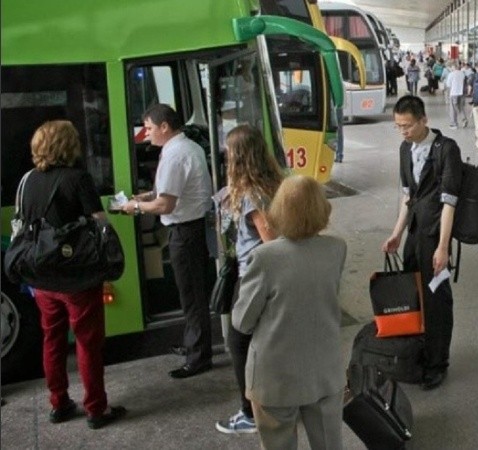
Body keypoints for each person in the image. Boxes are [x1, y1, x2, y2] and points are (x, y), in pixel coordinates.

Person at [23, 121, 126, 429]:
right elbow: (99, 223)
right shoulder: (78, 179)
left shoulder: (28, 180)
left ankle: (59, 404)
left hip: (42, 277)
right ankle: (96, 409)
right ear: (69, 146)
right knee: (87, 341)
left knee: (52, 339)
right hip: (77, 277)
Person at [232, 175, 347, 449]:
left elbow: (242, 321)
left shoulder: (265, 258)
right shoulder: (336, 248)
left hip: (276, 377)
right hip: (324, 370)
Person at [121, 104, 213, 379]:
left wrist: (134, 208)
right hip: (190, 230)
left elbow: (166, 205)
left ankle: (198, 358)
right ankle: (194, 345)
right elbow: (168, 192)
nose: (145, 133)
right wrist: (145, 196)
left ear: (164, 127)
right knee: (191, 293)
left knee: (192, 296)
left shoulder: (175, 155)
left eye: (149, 127)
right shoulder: (187, 147)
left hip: (184, 232)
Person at [382, 95, 462, 390]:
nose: (403, 131)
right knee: (413, 295)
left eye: (407, 125)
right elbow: (407, 196)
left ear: (424, 120)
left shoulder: (446, 149)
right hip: (415, 233)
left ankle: (438, 362)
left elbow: (450, 202)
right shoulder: (405, 149)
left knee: (437, 299)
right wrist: (396, 233)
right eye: (398, 126)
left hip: (434, 235)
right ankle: (418, 354)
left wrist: (443, 247)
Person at [214, 125, 284, 434]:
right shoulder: (269, 182)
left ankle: (250, 414)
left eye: (229, 153)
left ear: (239, 156)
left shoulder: (252, 194)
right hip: (257, 274)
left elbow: (271, 241)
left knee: (238, 341)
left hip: (254, 276)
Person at [445, 62, 469, 129]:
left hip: (454, 93)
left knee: (453, 108)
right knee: (460, 107)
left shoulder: (451, 74)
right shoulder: (462, 74)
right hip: (462, 93)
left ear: (453, 67)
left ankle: (454, 124)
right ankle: (463, 119)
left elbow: (448, 85)